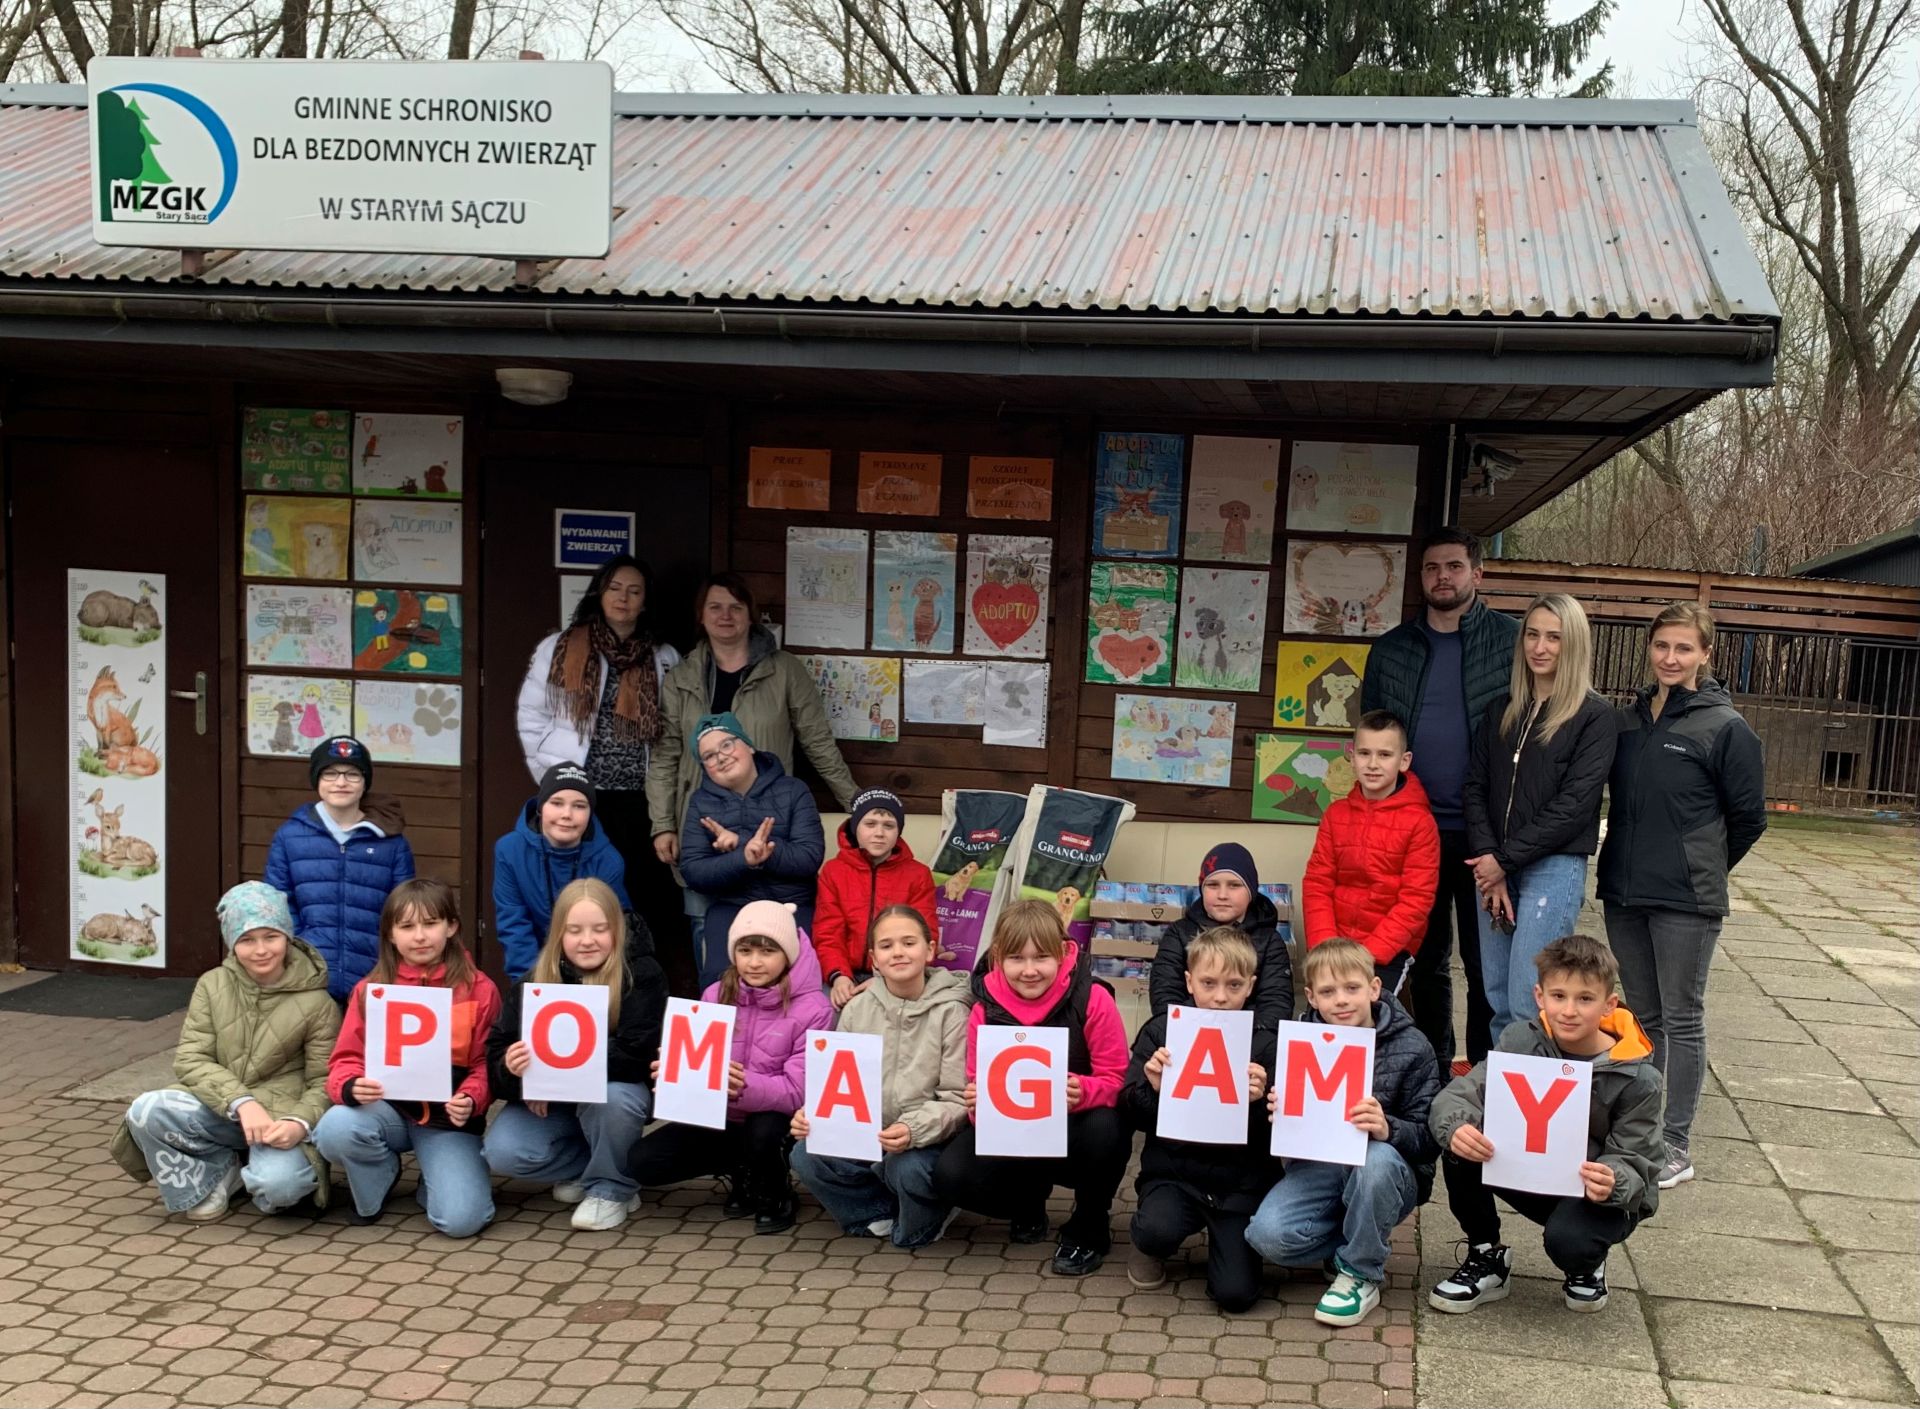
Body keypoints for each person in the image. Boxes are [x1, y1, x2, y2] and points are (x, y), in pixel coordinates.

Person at [1597, 603, 1765, 1190]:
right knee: (1642, 1017)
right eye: (1662, 646)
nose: (1671, 658)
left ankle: (1676, 1142)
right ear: (1650, 648)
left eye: (1684, 648)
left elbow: (1749, 819)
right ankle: (1641, 1129)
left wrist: (1704, 869)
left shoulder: (1726, 727)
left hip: (1687, 900)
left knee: (1683, 1017)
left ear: (1705, 654)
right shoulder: (1630, 720)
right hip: (1623, 890)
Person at [1427, 934, 1663, 1315]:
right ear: (1540, 997)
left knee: (1570, 1243)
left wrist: (1613, 1180)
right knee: (1460, 1141)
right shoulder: (1521, 1041)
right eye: (1559, 996)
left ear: (1609, 1005)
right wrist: (1456, 1127)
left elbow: (1640, 1159)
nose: (1569, 1010)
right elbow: (1461, 1093)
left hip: (1594, 1190)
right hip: (1532, 1170)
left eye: (1585, 999)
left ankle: (1586, 1265)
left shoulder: (1639, 1078)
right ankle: (1486, 1253)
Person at [647, 573, 857, 980]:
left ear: (751, 616)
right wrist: (662, 823)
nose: (725, 616)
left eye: (735, 607)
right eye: (715, 607)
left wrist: (858, 807)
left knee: (775, 939)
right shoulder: (683, 677)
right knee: (707, 927)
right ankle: (720, 1012)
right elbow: (666, 754)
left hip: (771, 816)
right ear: (701, 617)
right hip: (703, 817)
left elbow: (818, 742)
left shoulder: (784, 671)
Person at [1361, 528, 1518, 1069]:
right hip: (1413, 828)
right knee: (1423, 960)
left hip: (1485, 832)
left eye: (1454, 566)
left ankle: (1482, 1072)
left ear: (1478, 572)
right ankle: (1429, 1066)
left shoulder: (1513, 642)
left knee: (1484, 964)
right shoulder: (1392, 649)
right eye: (1432, 568)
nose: (1442, 577)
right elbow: (1373, 733)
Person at [113, 883, 340, 1221]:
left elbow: (325, 1080)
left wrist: (299, 1122)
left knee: (281, 1190)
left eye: (271, 937)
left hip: (279, 1121)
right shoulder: (212, 984)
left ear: (287, 937)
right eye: (247, 940)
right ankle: (216, 1173)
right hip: (223, 1110)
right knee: (146, 1111)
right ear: (232, 943)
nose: (261, 950)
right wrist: (242, 1102)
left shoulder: (318, 1002)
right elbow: (191, 1058)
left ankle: (258, 1170)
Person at [1246, 939, 1440, 1327]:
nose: (1341, 1001)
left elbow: (1429, 1140)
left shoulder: (1413, 1046)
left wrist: (1388, 1127)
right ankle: (1353, 1241)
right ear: (1311, 997)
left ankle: (1360, 1272)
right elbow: (1282, 1127)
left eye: (1352, 988)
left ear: (1373, 989)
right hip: (1319, 1166)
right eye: (1328, 992)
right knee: (1266, 1237)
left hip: (1384, 1171)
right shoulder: (1298, 1042)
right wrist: (1272, 1110)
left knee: (1377, 1158)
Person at [933, 900, 1131, 1278]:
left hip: (1077, 1128)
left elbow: (1117, 1079)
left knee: (1108, 1126)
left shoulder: (1094, 998)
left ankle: (1090, 1223)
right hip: (1016, 1132)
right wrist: (978, 1103)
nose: (1028, 970)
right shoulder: (983, 1010)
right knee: (951, 1176)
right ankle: (1027, 1201)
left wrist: (1082, 1091)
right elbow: (975, 1084)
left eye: (1040, 957)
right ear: (997, 960)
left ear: (1061, 953)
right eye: (1015, 958)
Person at [517, 555, 687, 992]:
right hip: (582, 800)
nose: (623, 599)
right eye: (615, 588)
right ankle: (567, 995)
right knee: (577, 901)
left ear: (645, 601)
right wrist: (553, 782)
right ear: (599, 592)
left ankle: (631, 997)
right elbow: (531, 717)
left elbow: (674, 731)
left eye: (634, 591)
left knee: (641, 904)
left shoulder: (663, 657)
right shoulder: (560, 646)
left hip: (640, 801)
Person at [1464, 594, 1617, 1044]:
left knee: (1528, 1002)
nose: (1541, 647)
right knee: (1495, 996)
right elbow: (1474, 786)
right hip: (1493, 868)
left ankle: (1528, 1109)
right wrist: (1489, 859)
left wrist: (1503, 861)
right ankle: (1498, 1101)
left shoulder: (1594, 717)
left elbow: (1574, 805)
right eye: (1532, 634)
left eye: (1554, 637)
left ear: (1574, 646)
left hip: (1551, 868)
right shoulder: (1501, 709)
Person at [631, 900, 834, 1234]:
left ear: (788, 955)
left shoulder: (815, 1008)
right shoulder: (715, 993)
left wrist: (744, 1086)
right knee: (642, 1162)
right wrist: (674, 1072)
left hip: (777, 1121)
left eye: (767, 951)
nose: (754, 962)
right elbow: (698, 1062)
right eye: (745, 950)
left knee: (764, 1128)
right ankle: (741, 1169)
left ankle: (776, 1191)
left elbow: (799, 1091)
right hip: (721, 1114)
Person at [314, 880, 501, 1237]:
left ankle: (434, 1181)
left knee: (462, 1221)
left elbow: (485, 1065)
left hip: (447, 1121)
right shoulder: (371, 989)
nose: (420, 936)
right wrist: (351, 1086)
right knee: (334, 1128)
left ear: (451, 927)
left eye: (430, 924)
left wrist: (473, 1098)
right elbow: (345, 1059)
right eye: (407, 926)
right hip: (388, 1113)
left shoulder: (480, 989)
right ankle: (380, 1176)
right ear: (390, 935)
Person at [484, 878, 668, 1232]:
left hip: (614, 1096)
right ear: (558, 935)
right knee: (504, 1151)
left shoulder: (642, 975)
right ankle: (597, 1167)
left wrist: (559, 1075)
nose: (587, 940)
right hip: (556, 1105)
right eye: (574, 931)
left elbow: (637, 1054)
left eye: (600, 929)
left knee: (616, 1099)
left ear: (616, 929)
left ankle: (613, 1189)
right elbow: (496, 1051)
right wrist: (516, 1072)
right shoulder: (535, 982)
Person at [790, 905, 969, 1249]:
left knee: (908, 1196)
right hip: (870, 1133)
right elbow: (838, 1084)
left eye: (908, 942)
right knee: (803, 1153)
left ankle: (931, 1210)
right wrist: (813, 1114)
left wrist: (914, 1130)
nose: (898, 952)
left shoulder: (953, 1010)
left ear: (930, 950)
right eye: (886, 946)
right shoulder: (857, 1008)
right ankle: (876, 1210)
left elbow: (956, 1098)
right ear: (873, 957)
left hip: (927, 1139)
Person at [1122, 927, 1275, 1313]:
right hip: (1174, 1175)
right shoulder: (1161, 1032)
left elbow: (1281, 1133)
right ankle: (1147, 1244)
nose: (1220, 997)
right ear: (1189, 981)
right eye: (1209, 983)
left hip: (1239, 1185)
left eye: (1234, 985)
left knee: (1236, 1295)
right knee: (1157, 1229)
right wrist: (1151, 1089)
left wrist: (1261, 1101)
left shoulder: (1266, 1041)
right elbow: (1128, 1111)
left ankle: (1231, 1246)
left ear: (1251, 986)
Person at [678, 713, 826, 988]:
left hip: (793, 904)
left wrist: (748, 844)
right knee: (719, 987)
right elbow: (693, 871)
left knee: (801, 985)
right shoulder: (700, 802)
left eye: (726, 745)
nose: (720, 757)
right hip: (732, 906)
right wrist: (742, 858)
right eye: (708, 756)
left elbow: (809, 857)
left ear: (748, 745)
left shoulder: (793, 790)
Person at [264, 736, 415, 1003]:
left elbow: (404, 909)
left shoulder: (391, 842)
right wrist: (302, 951)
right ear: (317, 780)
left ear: (365, 782)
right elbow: (278, 903)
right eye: (330, 773)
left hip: (375, 976)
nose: (341, 782)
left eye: (352, 774)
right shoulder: (290, 837)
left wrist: (389, 961)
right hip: (309, 977)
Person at [1301, 711, 1440, 994]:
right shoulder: (1335, 814)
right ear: (1351, 757)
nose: (1373, 764)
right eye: (1364, 753)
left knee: (1369, 1016)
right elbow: (1318, 883)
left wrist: (1369, 954)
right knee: (1322, 1013)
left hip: (1385, 952)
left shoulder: (1420, 823)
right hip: (1334, 945)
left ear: (1404, 761)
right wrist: (1326, 946)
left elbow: (1416, 899)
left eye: (1385, 755)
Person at [492, 761, 632, 982]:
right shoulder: (509, 851)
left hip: (591, 972)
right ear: (541, 807)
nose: (567, 814)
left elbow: (616, 926)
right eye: (556, 803)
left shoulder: (608, 860)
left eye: (579, 806)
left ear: (590, 812)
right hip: (534, 968)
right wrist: (529, 987)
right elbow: (513, 923)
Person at [1147, 842, 1292, 1040]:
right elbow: (1165, 994)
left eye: (1234, 885)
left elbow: (1276, 1004)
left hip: (1249, 1043)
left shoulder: (1269, 940)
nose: (1222, 895)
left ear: (1251, 891)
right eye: (1213, 885)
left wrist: (1247, 1042)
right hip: (1187, 1037)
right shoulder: (1179, 933)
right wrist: (1192, 1031)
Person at [814, 787, 941, 1008]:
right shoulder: (833, 871)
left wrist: (886, 979)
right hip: (844, 973)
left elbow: (924, 933)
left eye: (889, 826)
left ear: (898, 832)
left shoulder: (918, 874)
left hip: (897, 974)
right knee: (826, 1014)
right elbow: (827, 933)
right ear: (855, 828)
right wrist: (838, 976)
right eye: (870, 824)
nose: (879, 833)